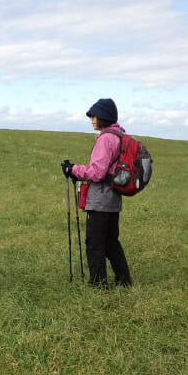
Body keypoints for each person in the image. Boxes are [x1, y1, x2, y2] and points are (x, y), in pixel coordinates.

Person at [62, 98, 133, 289]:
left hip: (100, 198)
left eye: (94, 116)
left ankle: (98, 284)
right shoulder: (119, 135)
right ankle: (124, 280)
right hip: (114, 198)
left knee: (94, 243)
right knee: (111, 241)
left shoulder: (105, 139)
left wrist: (73, 169)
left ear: (104, 117)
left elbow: (97, 172)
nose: (91, 119)